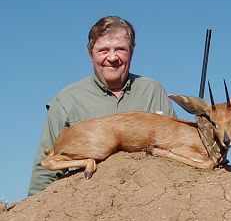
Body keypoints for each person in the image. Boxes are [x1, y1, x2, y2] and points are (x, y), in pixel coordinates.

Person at [28, 16, 176, 196]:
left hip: (148, 199)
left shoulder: (153, 91)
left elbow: (176, 148)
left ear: (132, 51)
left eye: (121, 49)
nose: (112, 57)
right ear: (90, 53)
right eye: (103, 50)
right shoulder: (66, 100)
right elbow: (45, 168)